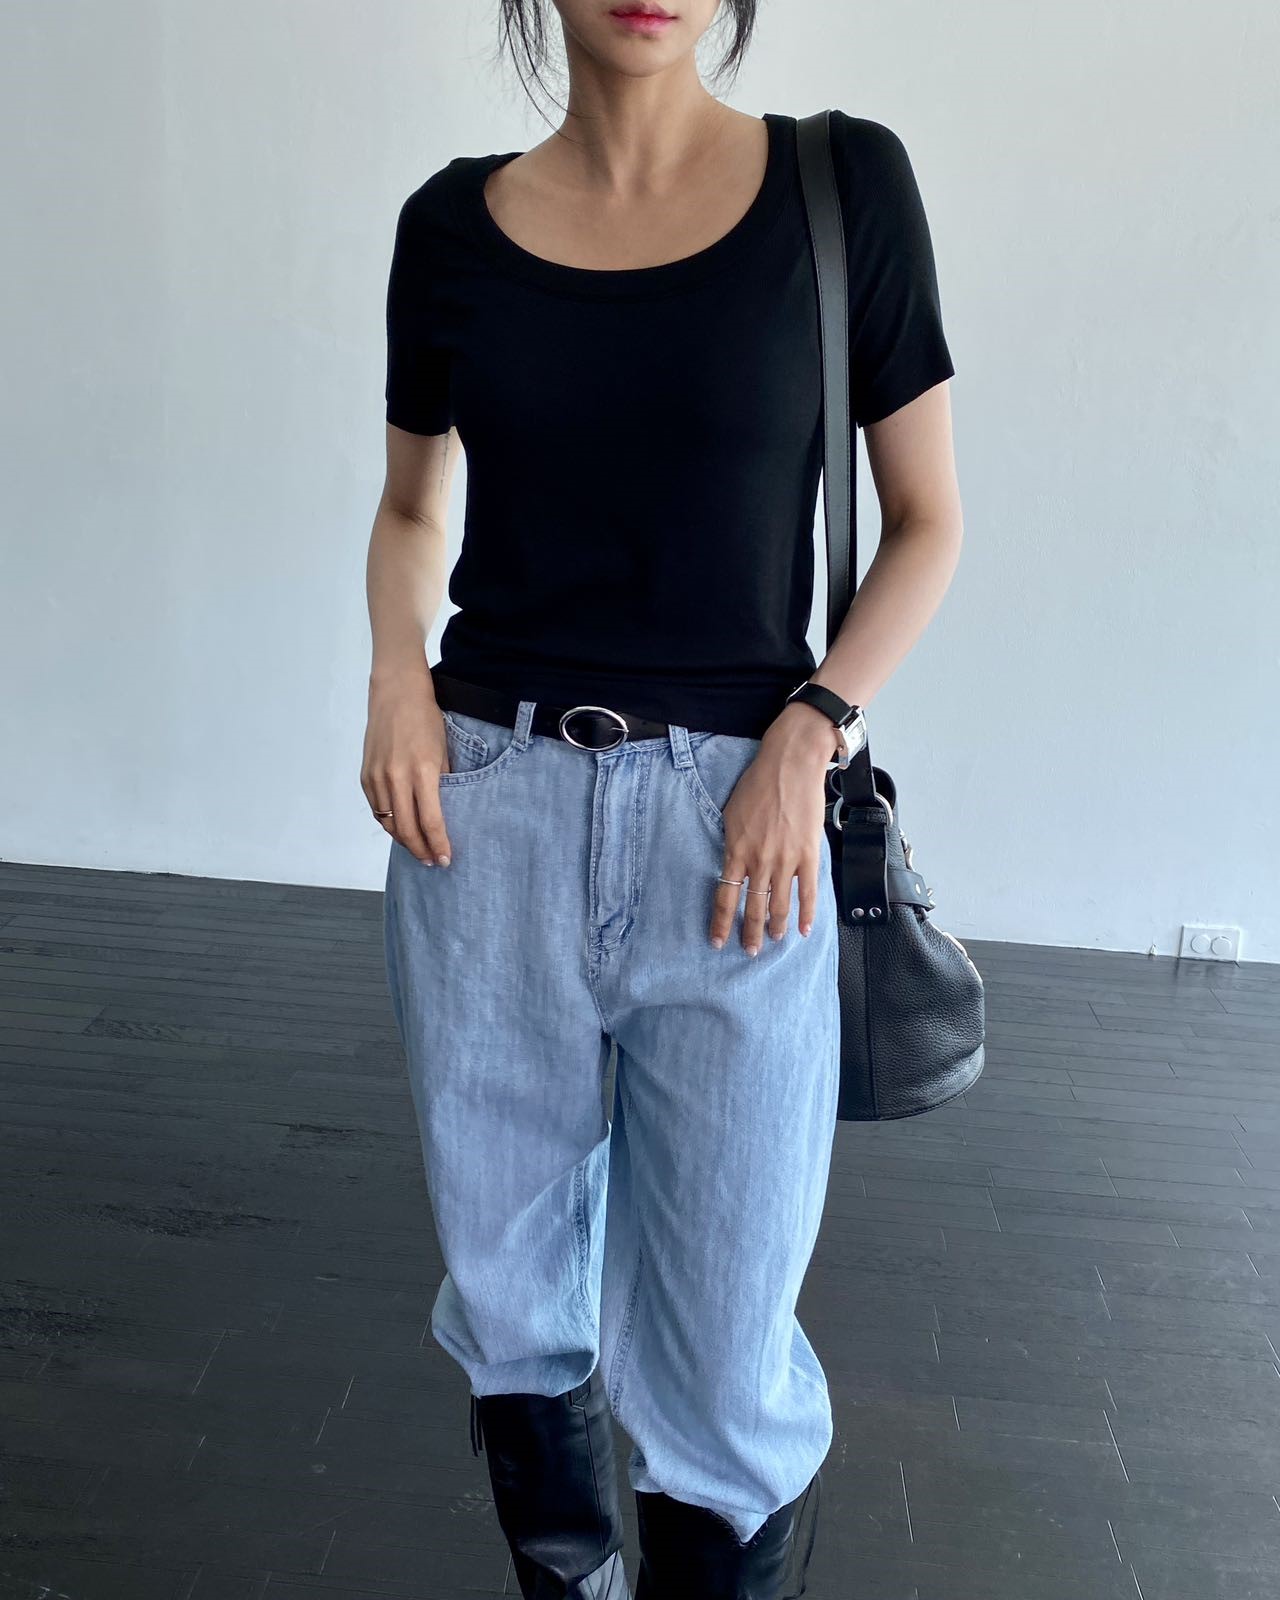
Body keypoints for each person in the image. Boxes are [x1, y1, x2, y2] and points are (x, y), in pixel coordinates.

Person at [362, 3, 963, 1595]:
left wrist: (813, 730)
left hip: (739, 834)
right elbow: (414, 506)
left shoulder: (842, 189)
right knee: (509, 1299)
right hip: (487, 811)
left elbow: (928, 520)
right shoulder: (450, 226)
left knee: (725, 1338)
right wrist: (395, 673)